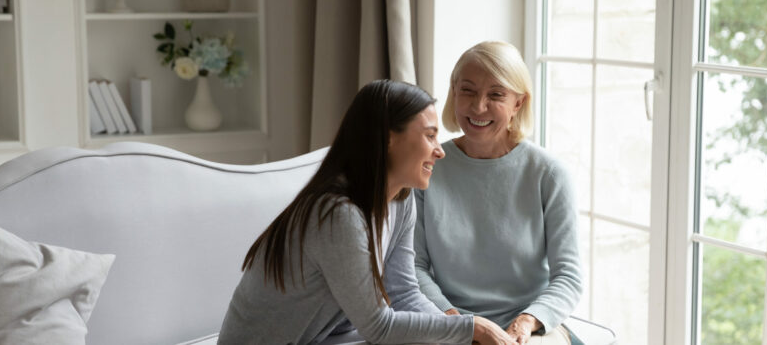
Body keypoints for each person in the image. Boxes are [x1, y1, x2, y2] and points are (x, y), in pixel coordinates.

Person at [218, 80, 516, 345]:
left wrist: (460, 340)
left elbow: (404, 293)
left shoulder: (401, 198)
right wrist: (471, 327)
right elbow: (379, 326)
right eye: (429, 136)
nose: (440, 151)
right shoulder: (337, 214)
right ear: (388, 138)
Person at [414, 42, 583, 345]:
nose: (478, 107)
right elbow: (412, 266)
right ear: (454, 92)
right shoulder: (428, 168)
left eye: (496, 95)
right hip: (451, 320)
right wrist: (456, 321)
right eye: (467, 91)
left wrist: (525, 323)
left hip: (529, 327)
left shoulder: (549, 174)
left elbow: (568, 277)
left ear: (518, 103)